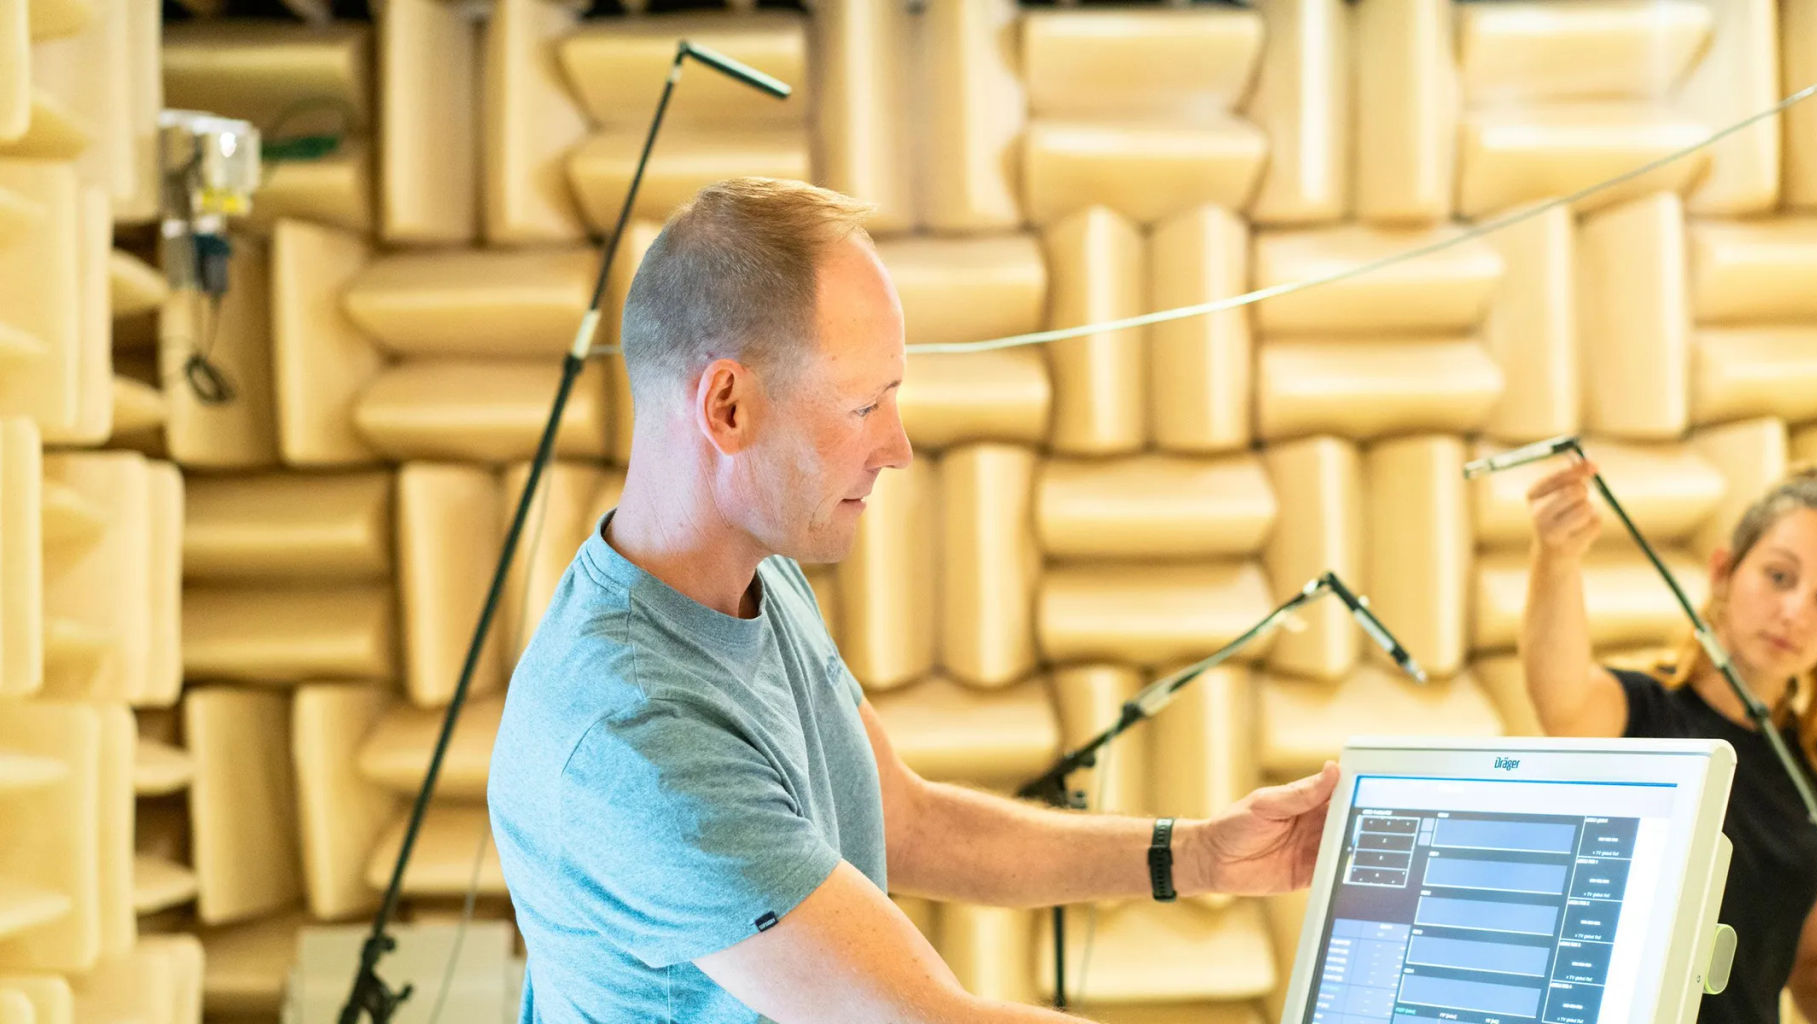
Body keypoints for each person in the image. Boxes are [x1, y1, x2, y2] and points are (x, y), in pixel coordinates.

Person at [485, 177, 1340, 1024]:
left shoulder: (754, 580)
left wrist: (1197, 856)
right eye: (864, 405)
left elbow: (906, 822)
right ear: (728, 406)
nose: (896, 448)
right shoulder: (634, 729)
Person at [1519, 458, 1817, 1024]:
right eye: (1779, 576)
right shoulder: (1641, 712)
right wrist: (1556, 557)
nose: (1795, 612)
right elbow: (1561, 700)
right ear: (1723, 572)